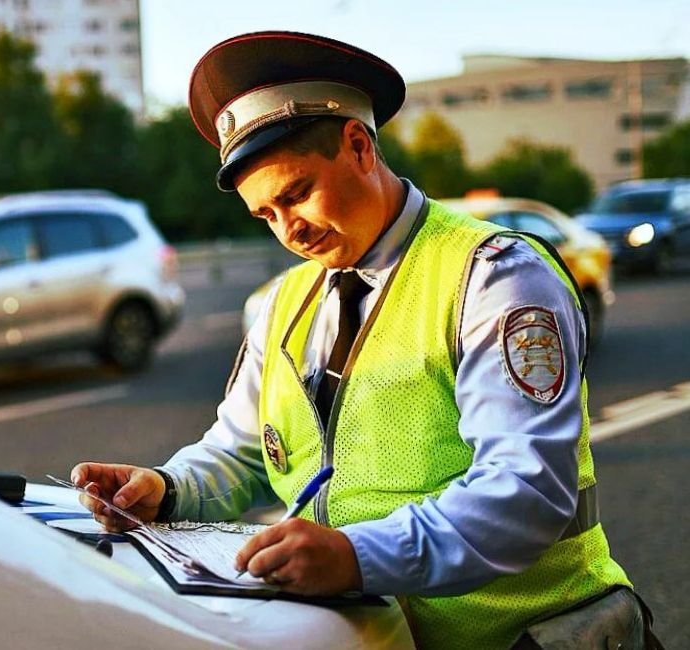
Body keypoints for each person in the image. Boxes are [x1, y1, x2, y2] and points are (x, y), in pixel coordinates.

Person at [72, 32, 657, 649]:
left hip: (525, 636)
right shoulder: (283, 303)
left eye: (296, 194)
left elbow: (526, 491)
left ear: (357, 145)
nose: (289, 230)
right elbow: (243, 449)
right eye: (266, 216)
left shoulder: (494, 276)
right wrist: (167, 488)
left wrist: (355, 556)